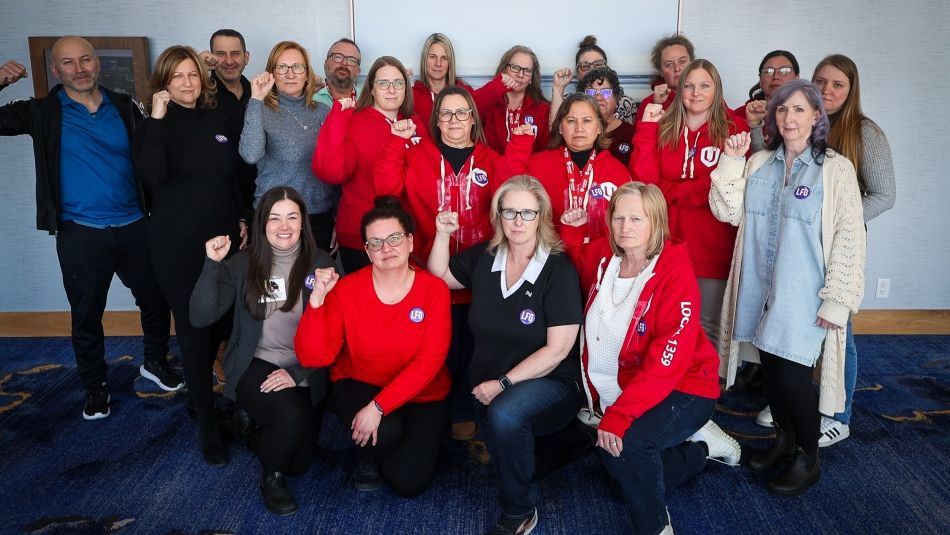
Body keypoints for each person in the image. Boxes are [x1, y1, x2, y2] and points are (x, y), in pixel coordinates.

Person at [0, 38, 179, 421]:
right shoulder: (41, 111)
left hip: (134, 224)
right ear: (55, 70)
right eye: (68, 63)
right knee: (86, 315)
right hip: (81, 232)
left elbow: (152, 149)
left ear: (96, 64)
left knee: (155, 299)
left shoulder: (124, 105)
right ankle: (95, 387)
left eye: (85, 60)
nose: (78, 68)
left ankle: (155, 361)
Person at [711, 79, 867, 496]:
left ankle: (808, 457)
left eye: (799, 110)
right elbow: (726, 210)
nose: (789, 118)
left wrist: (838, 302)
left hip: (806, 296)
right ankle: (784, 439)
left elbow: (851, 237)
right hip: (762, 292)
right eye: (782, 110)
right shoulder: (760, 163)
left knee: (796, 380)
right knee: (774, 377)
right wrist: (730, 162)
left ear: (817, 116)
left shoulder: (835, 169)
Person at [559, 182, 739, 535]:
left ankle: (656, 527)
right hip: (631, 388)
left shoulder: (675, 275)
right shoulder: (604, 258)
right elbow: (576, 260)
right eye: (619, 218)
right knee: (621, 482)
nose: (626, 228)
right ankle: (699, 449)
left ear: (657, 223)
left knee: (631, 448)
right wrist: (572, 230)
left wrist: (619, 416)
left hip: (686, 387)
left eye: (637, 219)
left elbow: (665, 363)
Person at [428, 176, 583, 535]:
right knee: (515, 452)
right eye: (509, 211)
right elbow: (438, 276)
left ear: (541, 216)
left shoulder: (557, 269)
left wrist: (503, 384)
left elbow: (558, 349)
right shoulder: (485, 256)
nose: (517, 221)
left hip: (552, 381)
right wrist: (440, 233)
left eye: (527, 213)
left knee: (507, 415)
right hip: (489, 383)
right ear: (498, 215)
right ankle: (576, 441)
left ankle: (520, 511)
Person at [190, 186, 334, 516]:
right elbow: (201, 316)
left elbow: (334, 334)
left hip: (305, 365)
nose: (284, 226)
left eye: (292, 217)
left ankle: (245, 427)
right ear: (261, 223)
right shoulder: (242, 265)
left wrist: (297, 373)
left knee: (300, 462)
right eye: (274, 218)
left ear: (303, 223)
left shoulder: (322, 262)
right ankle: (271, 478)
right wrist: (212, 264)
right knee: (290, 420)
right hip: (256, 362)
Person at [294, 196, 452, 497]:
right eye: (375, 243)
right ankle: (372, 451)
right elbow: (314, 356)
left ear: (409, 242)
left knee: (409, 483)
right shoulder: (347, 289)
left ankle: (400, 440)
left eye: (394, 238)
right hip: (360, 384)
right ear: (366, 251)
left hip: (423, 394)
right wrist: (316, 303)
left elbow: (429, 362)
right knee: (388, 431)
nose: (386, 249)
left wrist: (379, 408)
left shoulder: (434, 290)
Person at [133, 45, 245, 466]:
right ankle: (206, 424)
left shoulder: (216, 120)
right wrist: (157, 120)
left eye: (193, 75)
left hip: (224, 239)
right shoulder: (151, 126)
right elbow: (153, 175)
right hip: (178, 246)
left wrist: (241, 220)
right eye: (177, 76)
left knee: (227, 324)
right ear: (163, 82)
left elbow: (229, 177)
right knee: (196, 332)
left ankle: (208, 403)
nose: (186, 82)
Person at [375, 86, 502, 441]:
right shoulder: (419, 156)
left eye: (462, 112)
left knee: (473, 346)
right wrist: (396, 144)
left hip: (476, 276)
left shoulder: (491, 160)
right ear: (436, 120)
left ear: (473, 118)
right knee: (435, 347)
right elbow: (385, 191)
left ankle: (464, 408)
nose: (454, 120)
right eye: (446, 113)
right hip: (430, 273)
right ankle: (430, 410)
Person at [630, 59, 748, 350]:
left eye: (705, 86)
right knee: (663, 318)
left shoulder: (735, 127)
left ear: (716, 90)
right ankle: (670, 383)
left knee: (705, 321)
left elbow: (720, 186)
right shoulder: (663, 124)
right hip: (665, 241)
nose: (696, 93)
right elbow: (644, 180)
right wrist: (646, 128)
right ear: (679, 89)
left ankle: (704, 389)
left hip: (712, 243)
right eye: (689, 86)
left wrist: (668, 191)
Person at [810, 53, 896, 446]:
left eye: (838, 84)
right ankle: (801, 403)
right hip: (802, 241)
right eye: (822, 81)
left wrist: (839, 220)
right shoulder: (804, 120)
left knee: (839, 328)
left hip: (841, 245)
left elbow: (884, 195)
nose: (827, 91)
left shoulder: (865, 133)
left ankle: (838, 416)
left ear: (851, 89)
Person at [312, 56, 426, 274]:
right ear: (371, 88)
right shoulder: (355, 121)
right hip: (363, 238)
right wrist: (337, 119)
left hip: (407, 235)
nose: (392, 90)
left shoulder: (416, 123)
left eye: (398, 83)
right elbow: (330, 172)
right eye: (383, 83)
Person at [239, 41, 334, 251]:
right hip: (275, 218)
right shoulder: (259, 109)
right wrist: (255, 99)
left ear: (308, 74)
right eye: (282, 67)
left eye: (297, 67)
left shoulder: (324, 111)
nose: (290, 74)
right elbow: (250, 154)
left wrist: (337, 218)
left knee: (317, 281)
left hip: (318, 216)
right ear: (271, 73)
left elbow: (334, 167)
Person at [504, 93, 631, 244]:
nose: (579, 128)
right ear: (560, 128)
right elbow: (504, 195)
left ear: (599, 128)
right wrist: (518, 147)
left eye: (587, 121)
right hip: (548, 255)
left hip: (599, 258)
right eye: (571, 121)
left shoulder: (618, 172)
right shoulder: (538, 164)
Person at [200, 29, 258, 216]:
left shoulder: (259, 95)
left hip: (259, 200)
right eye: (220, 54)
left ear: (246, 57)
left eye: (235, 53)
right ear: (210, 59)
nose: (229, 61)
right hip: (219, 203)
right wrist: (197, 67)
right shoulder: (198, 97)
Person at [476, 45, 551, 154]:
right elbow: (469, 110)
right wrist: (497, 85)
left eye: (527, 71)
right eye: (515, 67)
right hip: (491, 169)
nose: (520, 75)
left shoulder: (542, 109)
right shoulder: (489, 100)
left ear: (531, 78)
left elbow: (547, 149)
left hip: (527, 170)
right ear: (504, 69)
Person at [549, 36, 637, 126]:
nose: (592, 69)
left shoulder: (626, 103)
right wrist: (558, 88)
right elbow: (556, 133)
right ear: (577, 72)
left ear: (607, 68)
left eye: (598, 64)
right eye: (585, 65)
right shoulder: (567, 101)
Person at [737, 50, 801, 152]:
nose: (776, 77)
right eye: (768, 71)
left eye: (784, 71)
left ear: (797, 78)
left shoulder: (808, 115)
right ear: (760, 79)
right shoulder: (739, 115)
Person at [577, 67, 636, 166]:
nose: (598, 97)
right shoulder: (577, 132)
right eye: (591, 92)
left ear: (616, 97)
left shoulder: (631, 134)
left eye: (606, 92)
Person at [412, 33, 474, 125]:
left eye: (444, 58)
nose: (438, 63)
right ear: (424, 59)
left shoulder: (465, 92)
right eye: (433, 57)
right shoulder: (411, 96)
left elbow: (478, 132)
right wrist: (400, 80)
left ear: (450, 62)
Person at [634, 35, 696, 125]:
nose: (677, 68)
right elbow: (641, 137)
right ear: (661, 72)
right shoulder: (648, 104)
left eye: (682, 61)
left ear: (692, 63)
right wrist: (657, 106)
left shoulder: (708, 97)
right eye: (669, 64)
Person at [315, 38, 361, 107]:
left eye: (352, 60)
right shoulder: (311, 102)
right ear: (326, 63)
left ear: (358, 71)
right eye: (338, 57)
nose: (344, 63)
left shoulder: (369, 100)